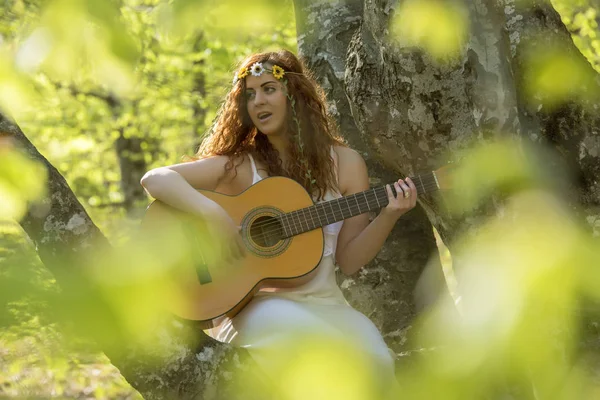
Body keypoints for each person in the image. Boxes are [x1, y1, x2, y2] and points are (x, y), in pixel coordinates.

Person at [140, 49, 417, 397]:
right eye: (250, 94)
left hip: (327, 305)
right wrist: (212, 215)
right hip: (260, 306)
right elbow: (156, 179)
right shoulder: (242, 165)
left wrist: (390, 214)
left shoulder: (346, 164)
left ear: (295, 96)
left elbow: (348, 259)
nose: (258, 102)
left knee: (376, 361)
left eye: (269, 88)